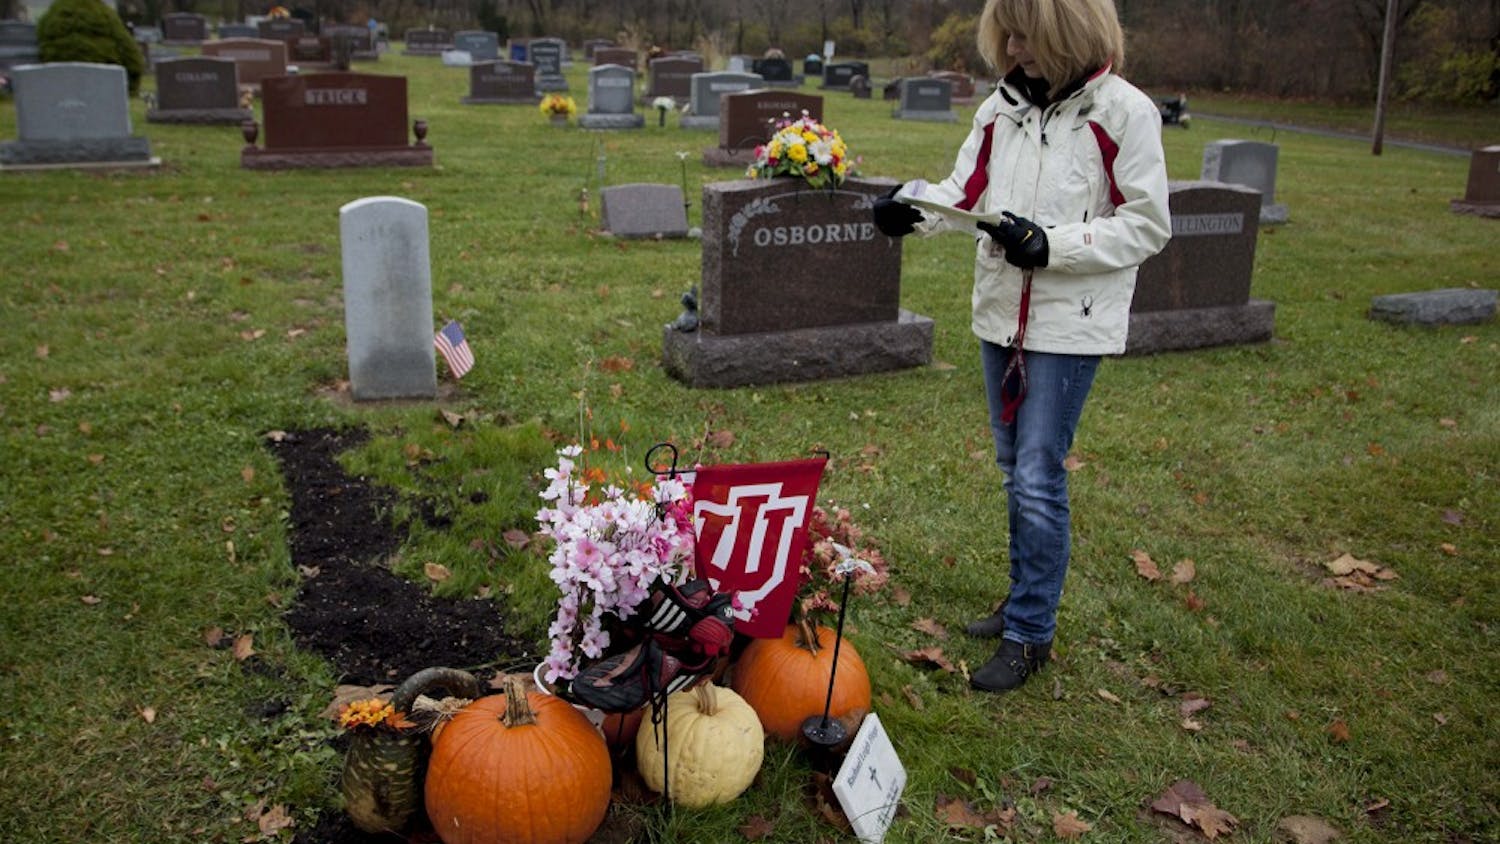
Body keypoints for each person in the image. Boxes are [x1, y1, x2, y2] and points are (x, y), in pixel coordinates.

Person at [872, 0, 1170, 693]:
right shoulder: (1000, 110)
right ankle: (1020, 600)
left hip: (1069, 325)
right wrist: (908, 208)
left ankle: (1031, 632)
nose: (1012, 48)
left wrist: (1053, 246)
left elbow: (1147, 223)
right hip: (1001, 317)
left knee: (1038, 475)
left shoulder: (1123, 113)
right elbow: (963, 192)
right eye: (1004, 34)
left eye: (1025, 35)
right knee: (1016, 471)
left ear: (1069, 33)